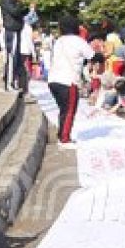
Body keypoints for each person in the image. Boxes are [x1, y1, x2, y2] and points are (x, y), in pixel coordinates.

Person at [48, 14, 94, 149]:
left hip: (53, 80)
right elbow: (92, 55)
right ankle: (65, 138)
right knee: (69, 110)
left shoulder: (58, 41)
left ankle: (61, 134)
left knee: (63, 109)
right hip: (68, 81)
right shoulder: (78, 41)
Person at [0, 0, 30, 94]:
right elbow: (14, 12)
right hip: (11, 29)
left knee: (16, 58)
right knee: (11, 57)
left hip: (17, 29)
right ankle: (8, 84)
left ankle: (13, 82)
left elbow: (20, 12)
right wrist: (20, 2)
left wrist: (27, 8)